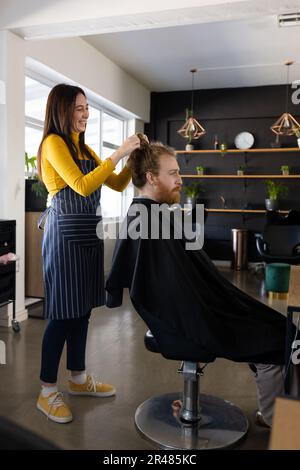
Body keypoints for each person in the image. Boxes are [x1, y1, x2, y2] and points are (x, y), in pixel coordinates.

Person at [106, 135, 300, 428]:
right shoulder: (148, 220)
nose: (180, 180)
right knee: (279, 336)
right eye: (173, 174)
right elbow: (173, 289)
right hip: (188, 318)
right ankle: (284, 427)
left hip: (195, 308)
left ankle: (276, 415)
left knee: (278, 328)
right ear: (151, 177)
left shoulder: (151, 215)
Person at [36, 83, 143, 424]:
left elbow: (116, 183)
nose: (85, 114)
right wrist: (119, 150)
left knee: (81, 312)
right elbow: (82, 186)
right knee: (61, 314)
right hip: (64, 235)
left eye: (86, 108)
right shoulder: (53, 144)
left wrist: (133, 158)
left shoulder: (84, 148)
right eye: (79, 108)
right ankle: (46, 390)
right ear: (62, 110)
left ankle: (78, 378)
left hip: (87, 234)